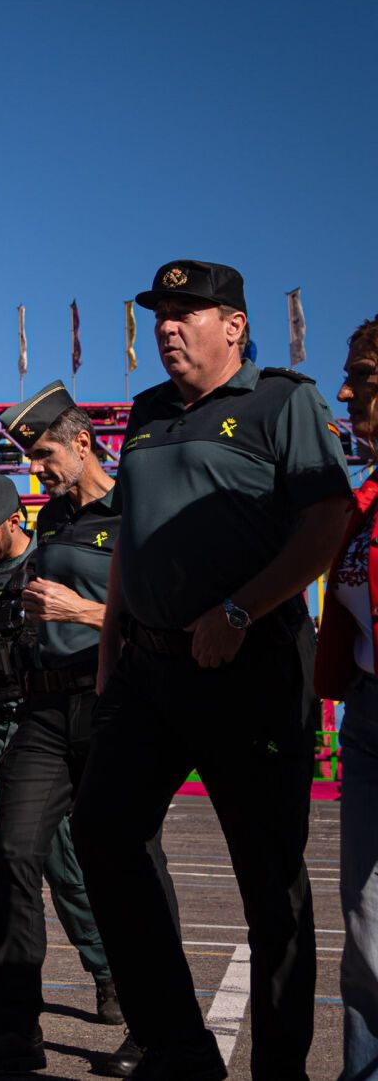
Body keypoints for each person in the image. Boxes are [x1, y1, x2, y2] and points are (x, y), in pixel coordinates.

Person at [73, 261, 354, 1081]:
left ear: (232, 325)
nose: (166, 325)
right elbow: (131, 537)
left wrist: (239, 610)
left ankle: (279, 1069)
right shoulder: (147, 414)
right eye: (161, 312)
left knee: (270, 881)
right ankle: (179, 1046)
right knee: (102, 832)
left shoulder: (283, 401)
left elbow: (328, 519)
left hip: (252, 668)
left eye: (186, 311)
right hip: (148, 670)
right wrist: (110, 640)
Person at [0, 393, 173, 1077]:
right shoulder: (54, 520)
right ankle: (14, 1029)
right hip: (42, 714)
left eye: (43, 456)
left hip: (109, 706)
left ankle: (153, 1024)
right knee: (12, 852)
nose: (37, 470)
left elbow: (168, 610)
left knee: (125, 869)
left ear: (82, 443)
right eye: (30, 458)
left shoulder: (137, 509)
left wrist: (81, 608)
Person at [0, 468, 117, 1055]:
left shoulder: (52, 564)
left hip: (42, 733)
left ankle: (109, 975)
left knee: (68, 871)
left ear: (15, 517)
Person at [314, 314, 378, 1081]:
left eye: (360, 375)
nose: (343, 391)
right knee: (366, 936)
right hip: (365, 713)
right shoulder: (362, 499)